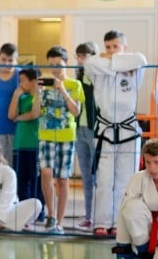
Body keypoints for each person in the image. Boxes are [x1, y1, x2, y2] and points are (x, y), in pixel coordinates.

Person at [83, 30, 148, 238]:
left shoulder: (135, 66)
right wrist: (116, 64)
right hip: (105, 129)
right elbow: (89, 63)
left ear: (124, 47)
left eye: (116, 47)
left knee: (126, 180)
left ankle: (120, 222)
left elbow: (141, 59)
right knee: (104, 180)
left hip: (129, 129)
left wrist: (111, 63)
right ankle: (101, 222)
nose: (111, 51)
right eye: (108, 48)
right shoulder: (96, 65)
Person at [36, 46, 83, 235]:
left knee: (63, 180)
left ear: (66, 63)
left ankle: (60, 222)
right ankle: (51, 214)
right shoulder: (43, 83)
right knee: (46, 173)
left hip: (66, 136)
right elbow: (36, 111)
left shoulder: (74, 85)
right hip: (46, 135)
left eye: (59, 64)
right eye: (51, 65)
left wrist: (62, 90)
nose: (55, 68)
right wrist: (38, 93)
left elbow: (76, 111)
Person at [112, 138, 158, 259]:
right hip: (139, 242)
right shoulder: (138, 178)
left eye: (156, 162)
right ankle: (144, 257)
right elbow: (124, 213)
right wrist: (123, 248)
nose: (151, 168)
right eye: (148, 162)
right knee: (131, 207)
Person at [8, 67, 42, 216]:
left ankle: (38, 212)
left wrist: (20, 117)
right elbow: (11, 115)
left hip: (36, 144)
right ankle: (22, 212)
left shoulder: (40, 96)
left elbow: (35, 113)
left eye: (23, 80)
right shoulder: (21, 97)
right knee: (20, 180)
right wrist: (16, 96)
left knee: (36, 180)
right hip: (20, 144)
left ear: (33, 81)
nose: (20, 84)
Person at [73, 42, 100, 230]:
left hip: (94, 130)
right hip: (79, 129)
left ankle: (102, 217)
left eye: (85, 56)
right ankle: (89, 216)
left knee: (97, 174)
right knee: (86, 177)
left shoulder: (98, 76)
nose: (81, 60)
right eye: (79, 56)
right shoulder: (78, 77)